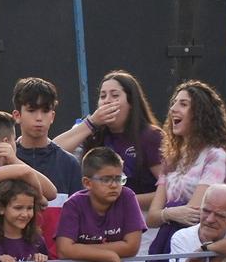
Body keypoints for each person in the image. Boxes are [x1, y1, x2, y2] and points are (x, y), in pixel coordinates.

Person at [143, 80, 226, 262]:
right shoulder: (172, 159)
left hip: (197, 244)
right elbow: (152, 217)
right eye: (174, 103)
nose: (173, 109)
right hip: (166, 242)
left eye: (183, 104)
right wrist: (171, 213)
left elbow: (194, 212)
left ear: (200, 114)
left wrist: (166, 213)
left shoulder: (215, 155)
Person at [54, 68, 165, 199]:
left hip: (140, 215)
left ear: (131, 102)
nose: (107, 101)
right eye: (102, 96)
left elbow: (168, 190)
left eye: (115, 95)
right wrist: (91, 123)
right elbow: (53, 151)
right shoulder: (93, 134)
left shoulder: (151, 136)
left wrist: (123, 201)